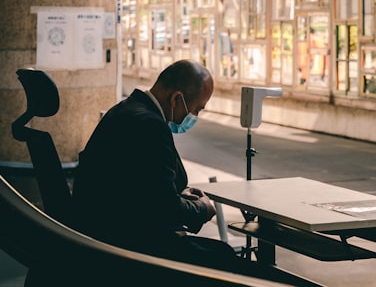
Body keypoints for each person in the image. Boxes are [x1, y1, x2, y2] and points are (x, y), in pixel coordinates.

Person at [70, 60, 245, 273]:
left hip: (101, 235)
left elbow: (142, 187)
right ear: (176, 99)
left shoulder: (125, 111)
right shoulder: (151, 127)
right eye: (197, 109)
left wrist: (178, 193)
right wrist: (202, 208)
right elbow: (164, 209)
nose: (195, 117)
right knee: (225, 258)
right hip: (129, 247)